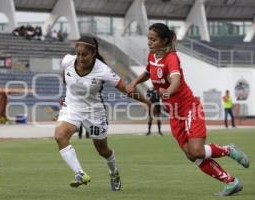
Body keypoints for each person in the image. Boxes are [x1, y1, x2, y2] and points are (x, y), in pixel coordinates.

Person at [126, 23, 250, 196]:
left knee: (197, 150)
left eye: (153, 39)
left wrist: (168, 91)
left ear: (164, 41)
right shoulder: (152, 56)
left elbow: (176, 80)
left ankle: (228, 150)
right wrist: (134, 82)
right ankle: (231, 182)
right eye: (148, 39)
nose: (149, 42)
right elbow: (148, 72)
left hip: (189, 108)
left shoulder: (172, 58)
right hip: (174, 113)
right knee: (191, 155)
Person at [54, 35, 150, 191]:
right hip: (72, 108)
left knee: (103, 151)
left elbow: (126, 89)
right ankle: (80, 173)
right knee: (60, 136)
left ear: (93, 53)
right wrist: (65, 94)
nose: (80, 58)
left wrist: (147, 102)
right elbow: (65, 74)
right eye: (78, 54)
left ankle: (114, 173)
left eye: (84, 54)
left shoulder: (103, 70)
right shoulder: (68, 61)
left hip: (94, 113)